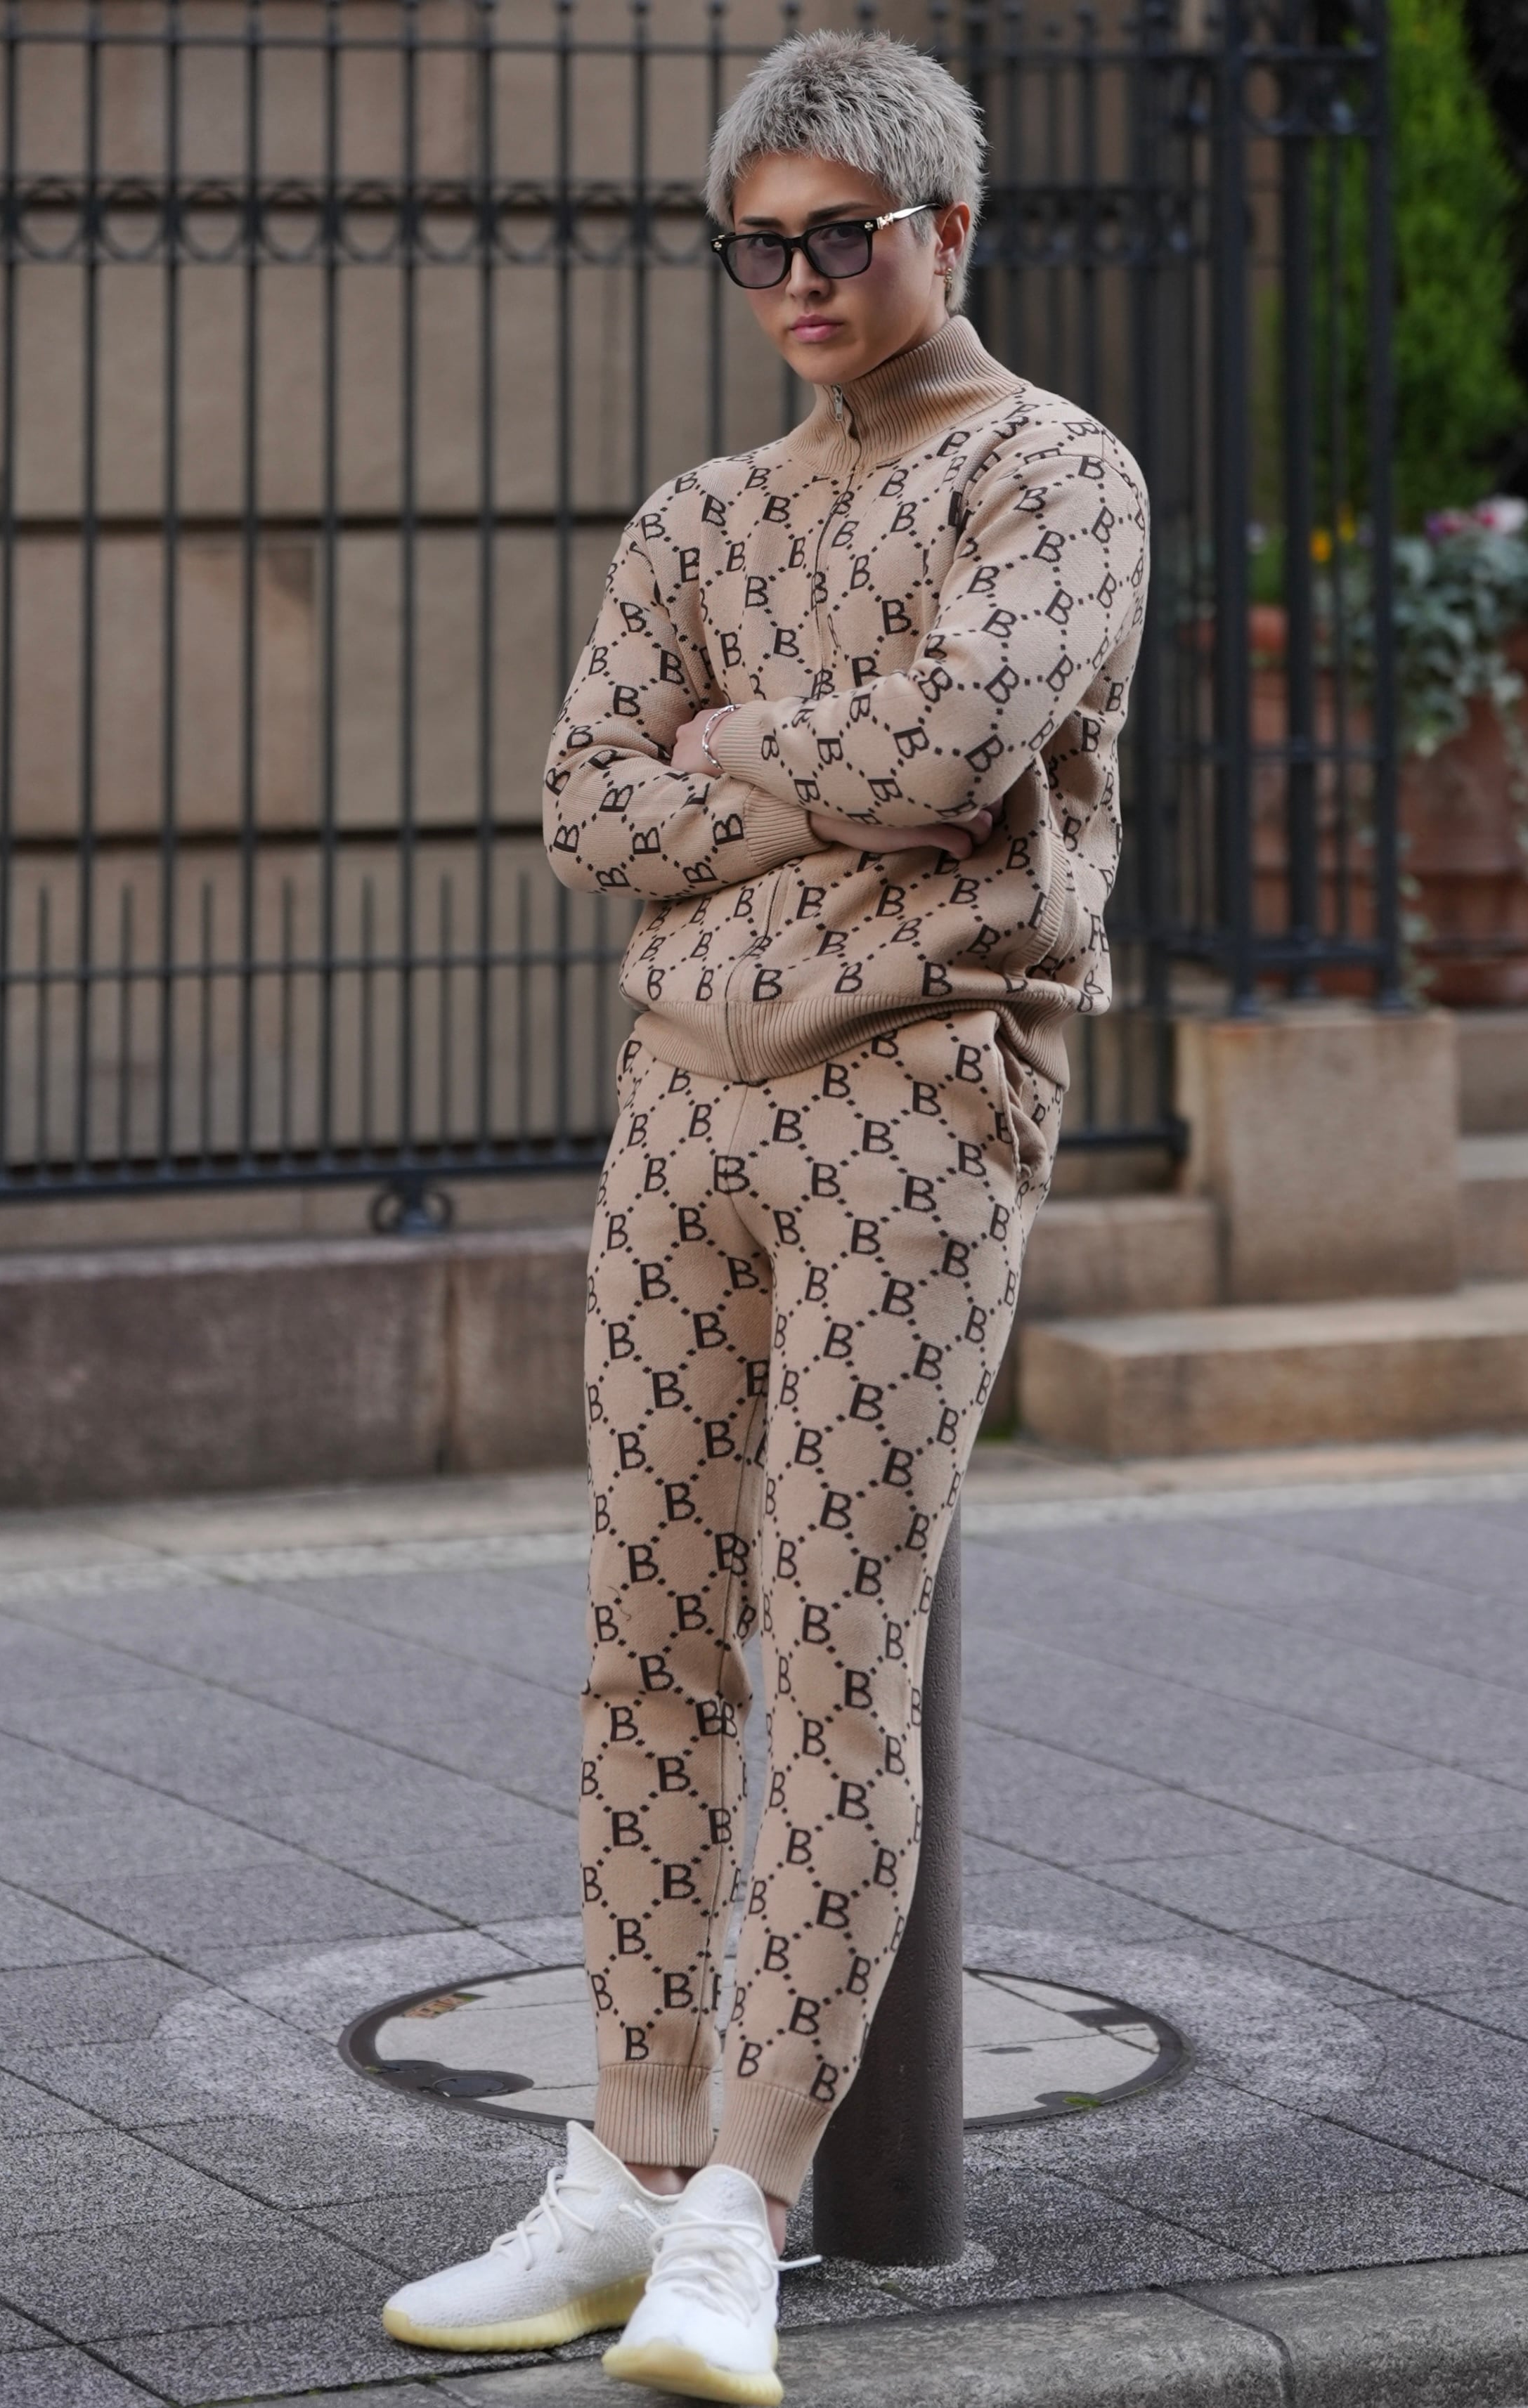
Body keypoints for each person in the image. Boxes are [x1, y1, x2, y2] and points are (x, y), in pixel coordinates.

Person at [382, 27, 1147, 2403]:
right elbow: (586, 806)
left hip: (919, 1107)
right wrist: (828, 778)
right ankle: (622, 2168)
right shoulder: (695, 517)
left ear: (949, 229)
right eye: (760, 246)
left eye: (843, 234)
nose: (801, 280)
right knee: (642, 1642)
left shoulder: (1058, 476)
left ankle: (744, 2210)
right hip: (681, 1116)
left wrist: (740, 747)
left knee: (831, 1650)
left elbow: (963, 741)